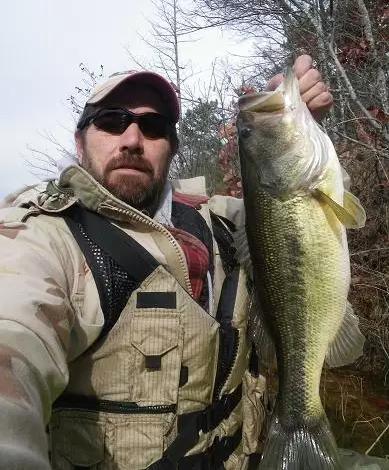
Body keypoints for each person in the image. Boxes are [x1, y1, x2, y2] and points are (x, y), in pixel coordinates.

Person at [0, 55, 381, 470]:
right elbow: (14, 338)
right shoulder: (38, 239)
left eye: (153, 126)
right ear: (80, 142)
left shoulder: (218, 219)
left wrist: (302, 128)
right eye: (111, 121)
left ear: (172, 147)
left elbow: (301, 212)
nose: (131, 138)